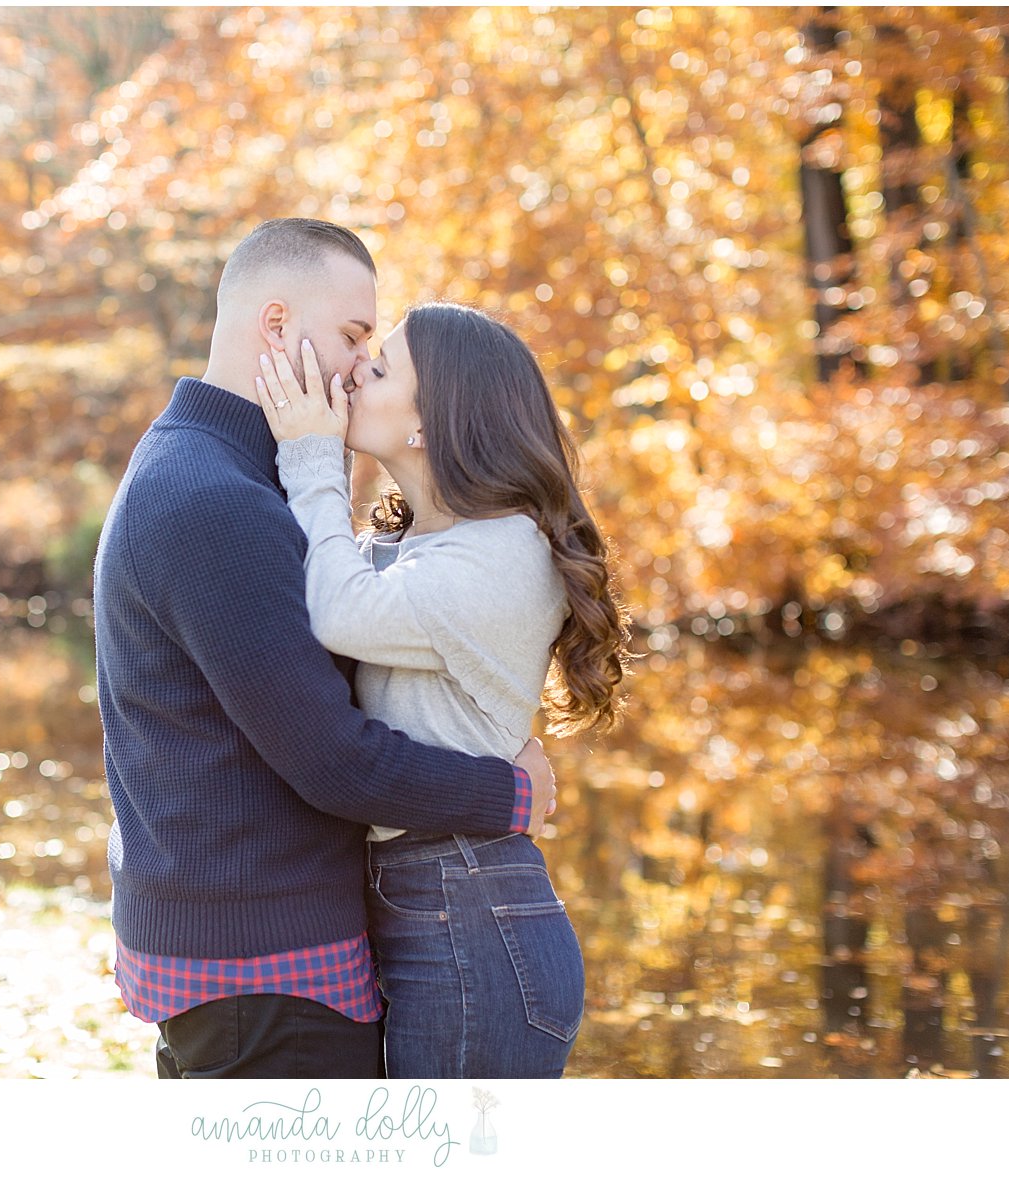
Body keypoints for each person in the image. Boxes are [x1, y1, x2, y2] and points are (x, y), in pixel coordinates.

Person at [92, 218, 557, 1079]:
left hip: (259, 950)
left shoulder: (219, 471)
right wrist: (509, 790)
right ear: (275, 325)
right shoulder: (211, 499)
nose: (357, 366)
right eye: (352, 337)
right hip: (263, 965)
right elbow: (331, 760)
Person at [255, 301, 632, 1077]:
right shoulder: (428, 544)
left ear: (433, 422)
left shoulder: (499, 556)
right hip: (431, 897)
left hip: (468, 909)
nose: (357, 367)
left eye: (381, 365)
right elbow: (329, 569)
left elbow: (335, 608)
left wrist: (312, 457)